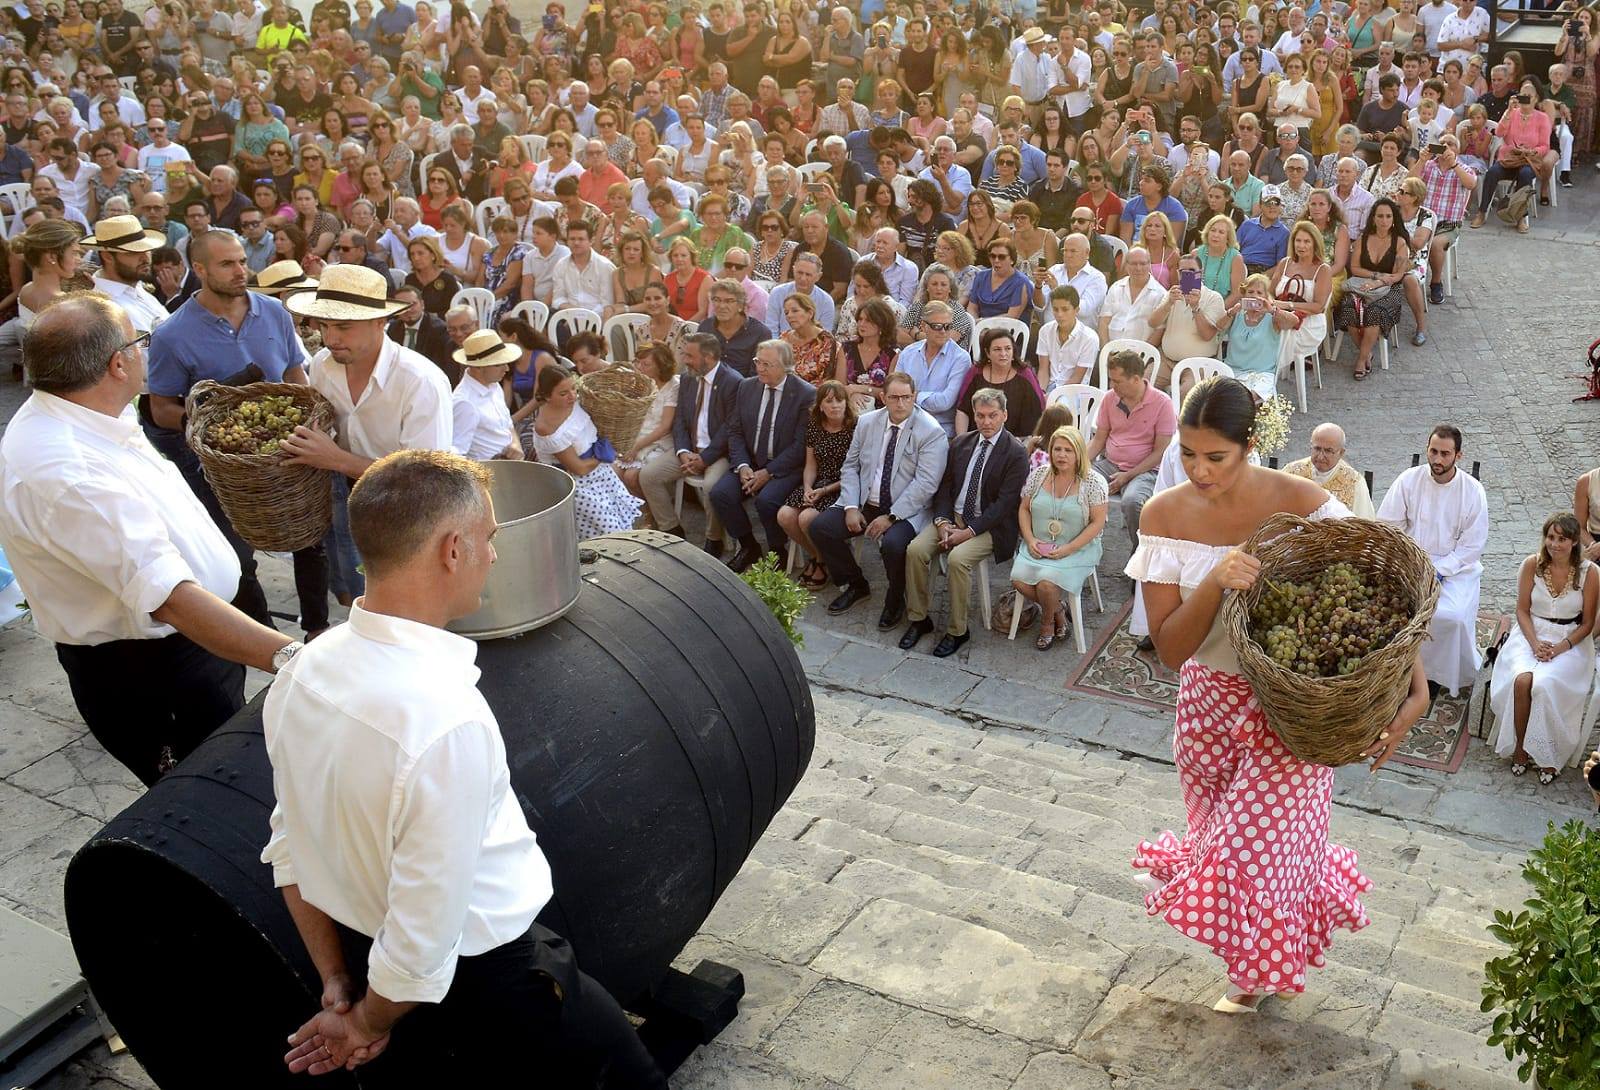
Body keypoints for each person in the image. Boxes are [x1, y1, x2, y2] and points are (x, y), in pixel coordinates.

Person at [262, 449, 667, 1088]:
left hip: (374, 969)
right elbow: (424, 943)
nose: (494, 554)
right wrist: (367, 1021)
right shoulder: (446, 722)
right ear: (454, 549)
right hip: (494, 985)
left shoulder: (302, 671)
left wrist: (340, 983)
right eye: (490, 538)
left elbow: (289, 845)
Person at [1129, 376, 1429, 1013]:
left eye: (1217, 456)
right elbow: (1172, 650)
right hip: (1205, 707)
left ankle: (1255, 972)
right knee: (1227, 852)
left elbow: (1380, 596)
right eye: (1187, 453)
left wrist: (1417, 688)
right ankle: (1254, 958)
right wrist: (1215, 580)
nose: (1199, 470)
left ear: (1251, 445)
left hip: (1291, 717)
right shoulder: (1162, 517)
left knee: (1253, 857)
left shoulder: (1307, 504)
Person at [0, 292, 296, 787]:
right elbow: (170, 598)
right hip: (157, 674)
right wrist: (296, 660)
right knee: (212, 798)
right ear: (118, 364)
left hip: (188, 655)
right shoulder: (66, 471)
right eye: (140, 342)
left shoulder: (90, 410)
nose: (145, 353)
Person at [145, 231, 328, 640]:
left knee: (310, 540)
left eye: (243, 261)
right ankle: (264, 639)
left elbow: (295, 372)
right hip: (223, 468)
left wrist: (306, 411)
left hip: (287, 450)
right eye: (228, 264)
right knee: (237, 558)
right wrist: (203, 429)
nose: (241, 271)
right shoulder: (171, 334)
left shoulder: (274, 313)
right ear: (200, 269)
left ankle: (317, 629)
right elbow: (160, 408)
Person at [280, 265, 454, 605]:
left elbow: (425, 479)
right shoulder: (322, 366)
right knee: (356, 592)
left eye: (343, 326)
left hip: (409, 514)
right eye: (325, 325)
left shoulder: (420, 382)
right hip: (344, 499)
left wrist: (336, 459)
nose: (331, 339)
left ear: (381, 322)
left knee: (405, 603)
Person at [810, 370, 949, 629]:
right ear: (883, 397)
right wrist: (851, 506)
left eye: (906, 397)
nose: (900, 404)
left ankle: (895, 599)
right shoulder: (867, 422)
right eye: (894, 397)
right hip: (865, 501)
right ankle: (856, 583)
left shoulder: (931, 432)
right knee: (820, 527)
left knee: (894, 545)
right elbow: (850, 467)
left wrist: (892, 516)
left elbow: (926, 484)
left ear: (914, 396)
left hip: (906, 509)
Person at [902, 388, 1028, 658]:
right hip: (954, 517)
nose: (986, 422)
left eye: (992, 415)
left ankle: (957, 631)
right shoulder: (961, 443)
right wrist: (942, 521)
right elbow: (945, 487)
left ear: (1004, 415)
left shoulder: (1016, 453)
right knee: (915, 550)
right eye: (980, 416)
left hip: (989, 526)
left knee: (958, 559)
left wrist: (968, 532)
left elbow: (1004, 505)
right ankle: (919, 618)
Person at [1377, 424, 1488, 698]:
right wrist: (1410, 562)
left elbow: (1471, 547)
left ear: (1458, 456)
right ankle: (1397, 669)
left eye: (1445, 454)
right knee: (1389, 608)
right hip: (1410, 560)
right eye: (1433, 451)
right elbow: (1388, 526)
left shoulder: (1473, 491)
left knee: (1449, 617)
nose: (1438, 460)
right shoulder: (1408, 480)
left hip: (1455, 569)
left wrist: (1439, 570)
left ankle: (1435, 675)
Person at [1489, 514, 1598, 785]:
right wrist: (1535, 643)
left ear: (1574, 542)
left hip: (1570, 640)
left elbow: (1587, 624)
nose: (1554, 544)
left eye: (1562, 539)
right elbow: (1522, 610)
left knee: (1544, 685)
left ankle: (1549, 753)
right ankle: (1520, 748)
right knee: (1521, 680)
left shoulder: (1590, 573)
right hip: (1531, 633)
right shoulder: (1532, 566)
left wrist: (1560, 648)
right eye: (1550, 537)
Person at [713, 338, 817, 572]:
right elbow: (735, 431)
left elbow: (801, 446)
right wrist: (742, 465)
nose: (760, 368)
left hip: (785, 467)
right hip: (750, 462)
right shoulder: (747, 387)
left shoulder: (805, 394)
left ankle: (777, 550)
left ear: (786, 367)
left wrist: (768, 473)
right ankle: (749, 546)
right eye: (758, 362)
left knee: (767, 500)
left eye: (767, 364)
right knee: (720, 493)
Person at [1011, 423, 1107, 651]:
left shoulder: (1091, 482)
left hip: (1077, 547)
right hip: (1039, 544)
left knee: (1046, 582)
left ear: (1078, 453)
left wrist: (1068, 549)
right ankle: (1058, 610)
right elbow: (1024, 509)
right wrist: (1030, 539)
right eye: (1057, 449)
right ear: (1051, 451)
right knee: (1018, 579)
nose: (1062, 455)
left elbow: (1098, 523)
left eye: (1068, 450)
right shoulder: (1039, 475)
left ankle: (1047, 625)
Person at [641, 332, 739, 551]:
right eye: (684, 355)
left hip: (718, 453)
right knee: (648, 476)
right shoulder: (687, 378)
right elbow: (680, 421)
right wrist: (683, 450)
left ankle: (713, 538)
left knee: (712, 486)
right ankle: (672, 530)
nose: (685, 361)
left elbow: (730, 429)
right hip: (689, 449)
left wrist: (704, 458)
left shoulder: (732, 382)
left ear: (710, 357)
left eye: (690, 356)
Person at [522, 362, 642, 537]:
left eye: (573, 388)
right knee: (608, 534)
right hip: (580, 486)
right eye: (563, 393)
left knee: (623, 525)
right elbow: (579, 468)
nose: (572, 396)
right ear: (547, 397)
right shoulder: (546, 427)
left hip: (601, 473)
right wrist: (604, 454)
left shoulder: (576, 401)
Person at [1086, 348, 1176, 549]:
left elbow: (1162, 451)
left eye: (1117, 381)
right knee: (1076, 481)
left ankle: (1140, 552)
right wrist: (1078, 464)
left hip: (1146, 470)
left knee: (1133, 502)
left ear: (1136, 379)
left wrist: (1128, 475)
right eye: (1111, 380)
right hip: (1110, 464)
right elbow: (1098, 440)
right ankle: (1081, 545)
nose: (1112, 385)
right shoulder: (1110, 398)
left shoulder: (1163, 403)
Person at [777, 380, 859, 591]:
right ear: (820, 405)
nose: (835, 405)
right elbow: (810, 464)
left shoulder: (856, 427)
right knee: (785, 515)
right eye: (829, 401)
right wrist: (807, 488)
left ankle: (821, 563)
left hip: (842, 486)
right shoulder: (814, 426)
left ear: (846, 403)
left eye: (839, 400)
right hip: (818, 482)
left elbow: (857, 473)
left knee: (806, 518)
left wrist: (824, 490)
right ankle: (818, 556)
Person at [1334, 196, 1410, 381]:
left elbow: (1398, 275)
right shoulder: (1363, 239)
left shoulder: (1399, 242)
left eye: (1388, 216)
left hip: (1388, 288)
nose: (1384, 220)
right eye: (1380, 216)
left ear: (1394, 219)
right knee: (1348, 307)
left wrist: (1379, 282)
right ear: (1373, 218)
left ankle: (1361, 359)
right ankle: (1366, 354)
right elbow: (1355, 268)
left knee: (1376, 312)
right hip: (1362, 285)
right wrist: (1375, 276)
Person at [1150, 251, 1227, 391]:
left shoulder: (1214, 298)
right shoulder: (1172, 294)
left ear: (1201, 273)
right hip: (1167, 361)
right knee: (1141, 384)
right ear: (1178, 274)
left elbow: (1207, 335)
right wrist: (1168, 304)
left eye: (1192, 270)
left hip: (1198, 364)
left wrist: (1195, 307)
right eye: (1183, 271)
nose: (1187, 274)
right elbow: (1153, 323)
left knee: (1186, 395)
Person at [891, 300, 969, 436]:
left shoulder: (960, 358)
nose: (943, 331)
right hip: (906, 425)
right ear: (923, 326)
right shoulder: (908, 353)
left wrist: (913, 397)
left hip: (940, 429)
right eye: (937, 326)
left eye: (948, 326)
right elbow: (895, 392)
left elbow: (945, 402)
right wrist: (908, 397)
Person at [956, 326, 1044, 438]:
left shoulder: (1025, 374)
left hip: (1017, 441)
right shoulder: (975, 372)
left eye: (1007, 349)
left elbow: (1039, 410)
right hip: (978, 439)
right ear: (987, 353)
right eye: (997, 349)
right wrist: (963, 441)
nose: (1003, 354)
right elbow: (962, 410)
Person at [448, 330, 523, 461]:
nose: (507, 368)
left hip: (511, 467)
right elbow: (456, 455)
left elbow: (507, 424)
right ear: (478, 367)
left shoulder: (493, 384)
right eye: (499, 364)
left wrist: (515, 444)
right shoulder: (465, 403)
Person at [1036, 285, 1100, 391]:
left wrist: (1053, 396)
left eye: (1065, 309)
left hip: (1074, 391)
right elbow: (1043, 370)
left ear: (1076, 310)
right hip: (1049, 385)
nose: (1059, 314)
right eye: (1055, 309)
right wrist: (1041, 393)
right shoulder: (1045, 331)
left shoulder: (1090, 338)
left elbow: (1077, 378)